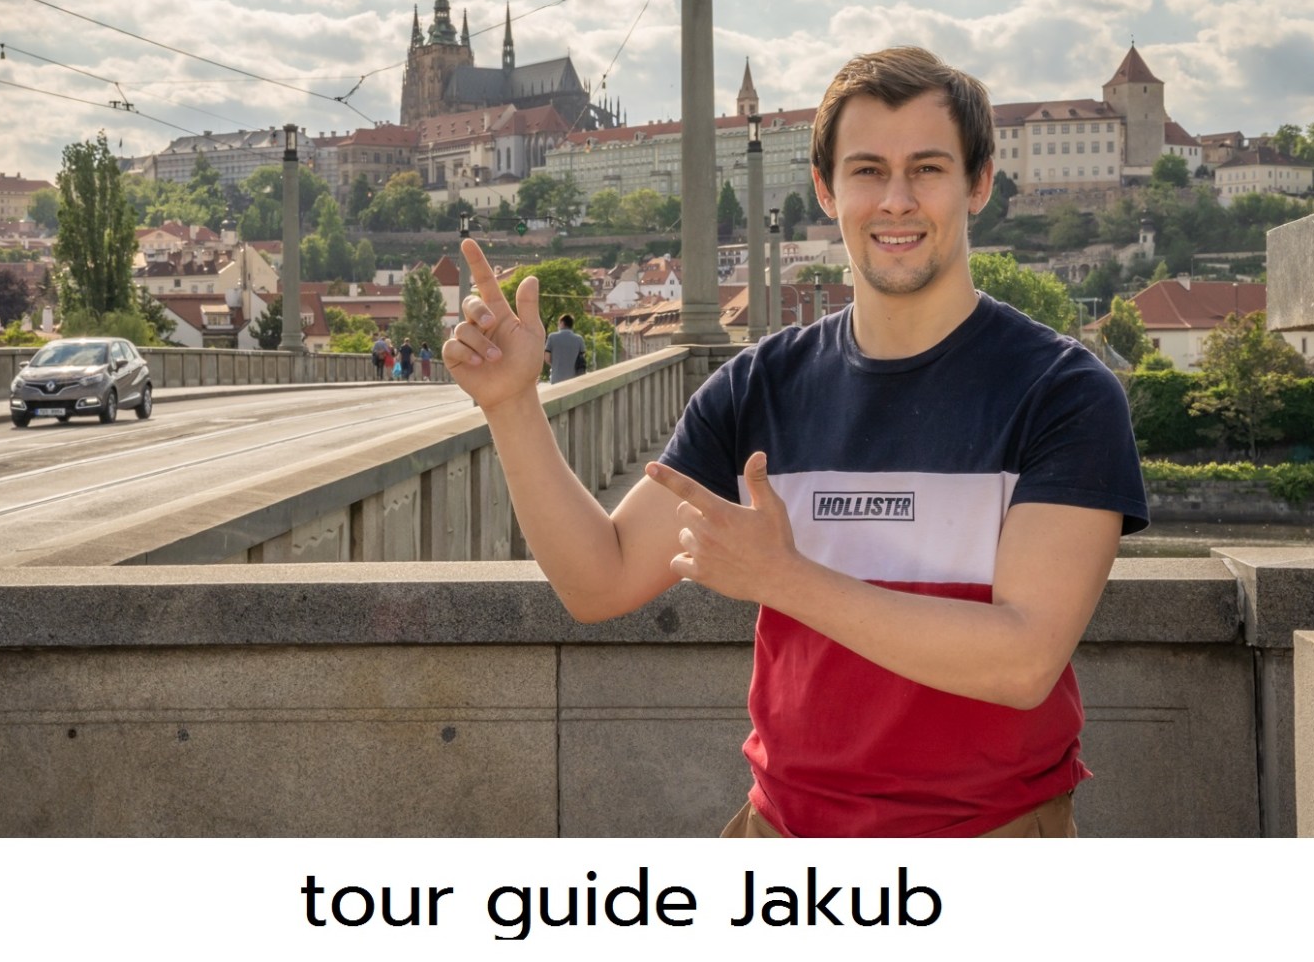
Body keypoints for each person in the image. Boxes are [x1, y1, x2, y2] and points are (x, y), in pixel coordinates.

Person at [443, 46, 1147, 838]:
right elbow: (599, 580)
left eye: (928, 170)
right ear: (825, 189)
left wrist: (783, 578)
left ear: (979, 183)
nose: (897, 201)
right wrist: (511, 407)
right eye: (868, 171)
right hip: (782, 837)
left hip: (989, 839)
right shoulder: (759, 389)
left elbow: (1022, 664)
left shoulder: (1062, 392)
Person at [542, 314, 586, 384]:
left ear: (562, 323)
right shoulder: (579, 339)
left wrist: (556, 364)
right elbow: (582, 358)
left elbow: (547, 358)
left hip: (556, 379)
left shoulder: (552, 337)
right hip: (574, 380)